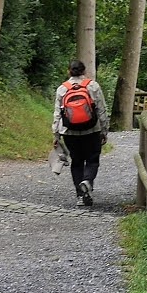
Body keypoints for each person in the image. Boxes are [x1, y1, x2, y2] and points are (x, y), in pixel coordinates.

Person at [53, 59, 108, 206]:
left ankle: (80, 196)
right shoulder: (93, 86)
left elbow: (57, 114)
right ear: (84, 71)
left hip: (69, 132)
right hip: (92, 130)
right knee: (92, 159)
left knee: (76, 162)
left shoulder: (62, 89)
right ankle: (87, 181)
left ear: (69, 71)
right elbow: (101, 110)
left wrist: (56, 135)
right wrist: (104, 130)